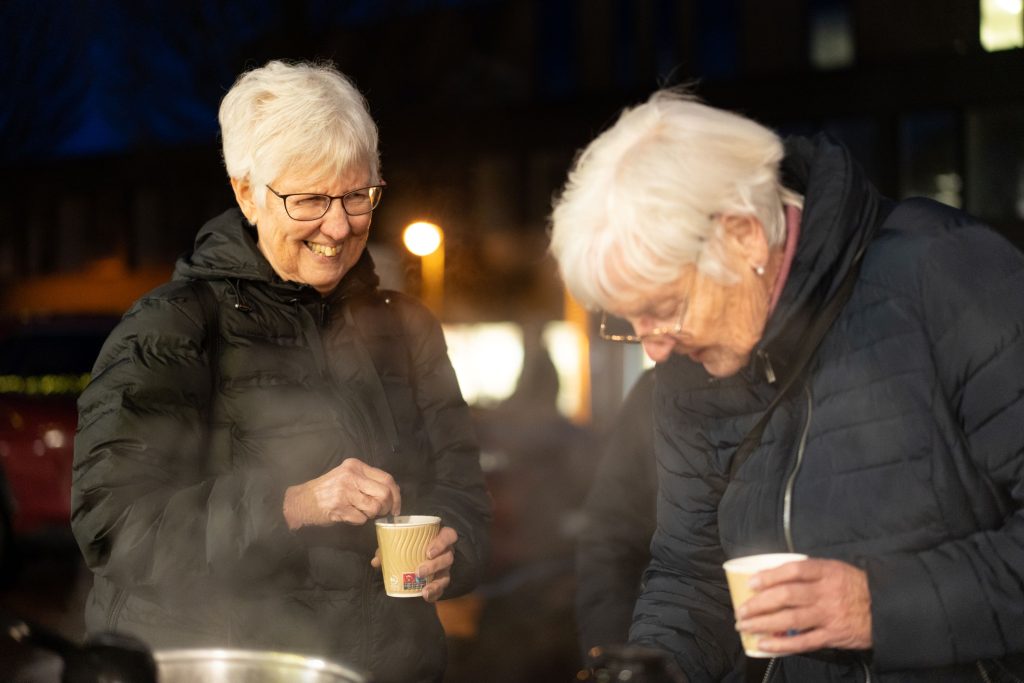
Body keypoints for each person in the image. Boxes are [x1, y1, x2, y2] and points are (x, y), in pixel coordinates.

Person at [549, 88, 1024, 681]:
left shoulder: (946, 276)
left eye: (664, 306)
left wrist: (880, 607)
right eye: (628, 321)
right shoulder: (687, 368)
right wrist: (650, 669)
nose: (653, 347)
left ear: (745, 237)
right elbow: (694, 576)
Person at [70, 60, 491, 683]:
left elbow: (462, 493)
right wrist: (291, 505)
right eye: (311, 199)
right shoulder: (173, 327)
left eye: (358, 195)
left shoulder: (406, 327)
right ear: (247, 193)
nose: (341, 225)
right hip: (230, 668)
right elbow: (112, 526)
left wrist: (455, 548)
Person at [575, 368, 657, 657]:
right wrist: (611, 653)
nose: (654, 343)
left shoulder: (805, 384)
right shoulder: (656, 391)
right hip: (664, 645)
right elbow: (609, 535)